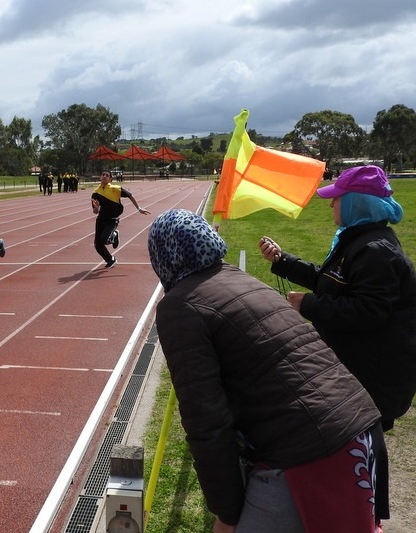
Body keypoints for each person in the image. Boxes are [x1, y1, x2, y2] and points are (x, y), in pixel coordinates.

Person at [148, 209, 387, 533]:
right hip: (359, 426)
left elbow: (206, 420)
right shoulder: (240, 277)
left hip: (311, 449)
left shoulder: (179, 305)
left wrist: (227, 514)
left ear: (163, 255)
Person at [259, 165, 416, 432]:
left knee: (359, 445)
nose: (331, 205)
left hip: (374, 377)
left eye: (337, 198)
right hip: (362, 369)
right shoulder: (360, 241)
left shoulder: (376, 251)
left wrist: (308, 304)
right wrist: (284, 261)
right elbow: (332, 282)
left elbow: (368, 311)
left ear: (355, 204)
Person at [90, 170, 150, 268]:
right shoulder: (96, 193)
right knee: (98, 244)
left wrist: (139, 208)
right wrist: (96, 208)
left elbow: (130, 196)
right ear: (100, 177)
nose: (104, 176)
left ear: (110, 179)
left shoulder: (116, 189)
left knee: (104, 240)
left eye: (107, 175)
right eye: (103, 175)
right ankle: (110, 259)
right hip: (101, 219)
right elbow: (95, 211)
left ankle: (114, 234)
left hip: (112, 219)